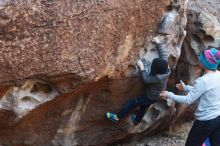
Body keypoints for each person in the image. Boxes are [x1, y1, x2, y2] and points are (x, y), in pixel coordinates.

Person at [160, 48, 220, 146]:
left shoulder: (203, 81)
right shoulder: (218, 75)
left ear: (205, 63)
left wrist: (170, 95)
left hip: (205, 121)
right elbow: (206, 90)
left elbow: (188, 100)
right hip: (218, 117)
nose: (199, 59)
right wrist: (186, 88)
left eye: (201, 58)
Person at [106, 38, 170, 125]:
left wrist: (142, 68)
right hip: (156, 96)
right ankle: (137, 121)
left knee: (133, 102)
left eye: (152, 66)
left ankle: (117, 117)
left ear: (156, 71)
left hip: (150, 97)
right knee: (143, 107)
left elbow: (146, 79)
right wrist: (158, 43)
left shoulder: (157, 78)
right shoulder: (165, 68)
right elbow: (163, 56)